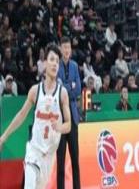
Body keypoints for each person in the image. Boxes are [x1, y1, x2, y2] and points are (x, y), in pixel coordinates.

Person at [0, 44, 71, 189]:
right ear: (45, 63)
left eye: (57, 61)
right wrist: (3, 137)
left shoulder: (62, 93)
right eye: (52, 59)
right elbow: (21, 115)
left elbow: (69, 125)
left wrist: (59, 127)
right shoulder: (35, 91)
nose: (55, 64)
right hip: (34, 151)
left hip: (49, 155)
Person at [57, 36, 82, 189]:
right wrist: (69, 86)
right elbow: (59, 90)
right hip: (59, 119)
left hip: (73, 118)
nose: (67, 50)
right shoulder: (56, 66)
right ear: (60, 49)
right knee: (60, 162)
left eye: (68, 47)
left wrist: (67, 87)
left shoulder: (75, 66)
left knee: (75, 161)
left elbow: (78, 89)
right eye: (64, 47)